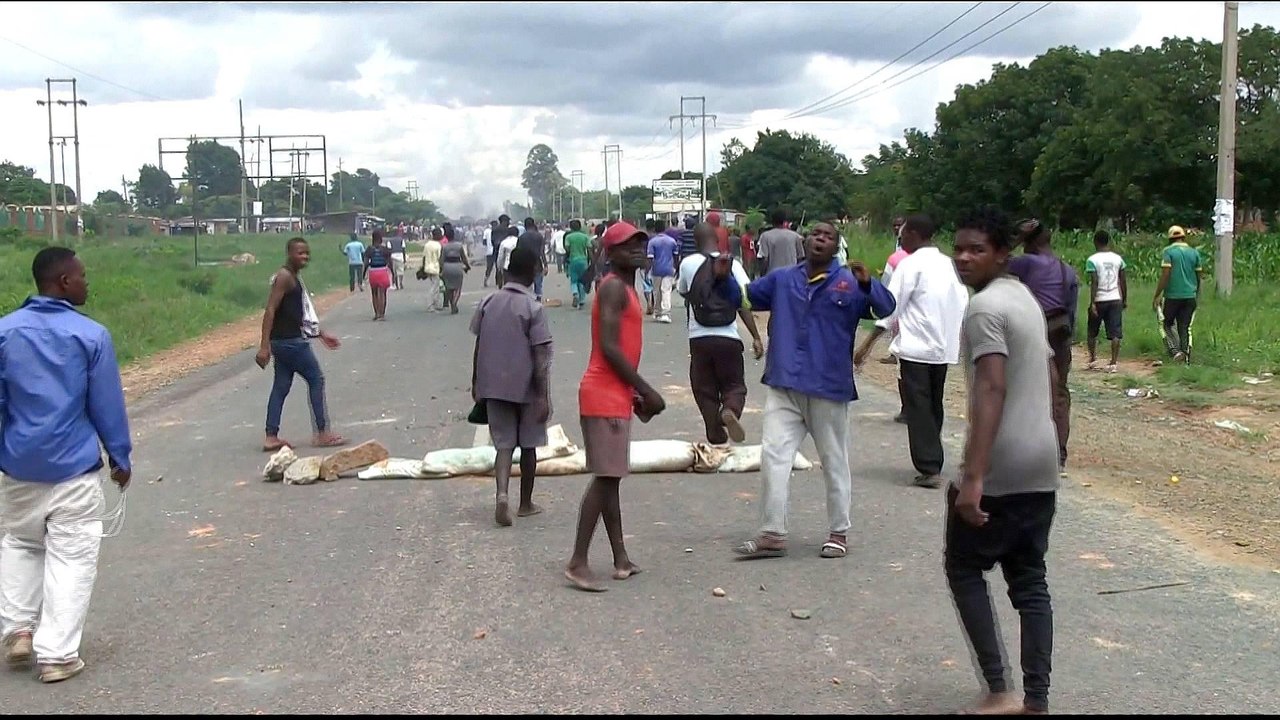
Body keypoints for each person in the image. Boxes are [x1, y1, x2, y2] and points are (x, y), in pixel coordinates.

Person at [0, 247, 132, 684]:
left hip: (18, 465)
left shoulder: (5, 332)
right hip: (73, 468)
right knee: (72, 557)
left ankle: (18, 629)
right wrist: (119, 456)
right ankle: (56, 655)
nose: (86, 283)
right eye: (82, 276)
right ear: (63, 282)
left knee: (20, 542)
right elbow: (105, 405)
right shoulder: (91, 335)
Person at [948, 206, 1059, 716]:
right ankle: (1036, 698)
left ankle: (998, 688)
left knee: (964, 567)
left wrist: (973, 477)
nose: (964, 258)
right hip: (1041, 461)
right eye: (959, 248)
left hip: (1002, 464)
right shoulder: (1025, 300)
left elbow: (991, 387)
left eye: (977, 250)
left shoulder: (985, 308)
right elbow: (1051, 377)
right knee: (1029, 579)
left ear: (1002, 254)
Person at [732, 222, 896, 561]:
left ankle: (838, 532)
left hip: (827, 386)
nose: (820, 238)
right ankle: (772, 533)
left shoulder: (850, 282)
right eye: (816, 234)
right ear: (805, 241)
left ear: (837, 246)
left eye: (828, 236)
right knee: (774, 456)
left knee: (834, 460)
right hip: (784, 383)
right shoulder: (782, 279)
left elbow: (886, 309)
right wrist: (721, 279)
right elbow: (745, 297)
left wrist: (869, 283)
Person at [565, 221, 666, 593]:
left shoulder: (627, 288)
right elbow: (609, 347)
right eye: (628, 245)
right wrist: (646, 389)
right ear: (610, 252)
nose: (638, 249)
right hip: (603, 393)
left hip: (614, 393)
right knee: (606, 478)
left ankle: (621, 558)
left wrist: (633, 393)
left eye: (641, 243)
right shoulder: (612, 288)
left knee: (611, 479)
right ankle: (578, 561)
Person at [854, 214, 968, 489]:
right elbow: (962, 301)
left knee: (918, 407)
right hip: (942, 348)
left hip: (916, 347)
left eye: (902, 234)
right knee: (934, 403)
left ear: (914, 234)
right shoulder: (949, 265)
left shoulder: (909, 265)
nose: (900, 239)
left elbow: (890, 306)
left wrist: (867, 345)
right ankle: (933, 456)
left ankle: (929, 466)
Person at [470, 246, 553, 527]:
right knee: (529, 446)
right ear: (533, 273)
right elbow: (540, 355)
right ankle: (526, 503)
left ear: (507, 271)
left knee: (503, 445)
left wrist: (476, 382)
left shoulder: (488, 302)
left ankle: (502, 495)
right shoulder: (533, 307)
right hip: (527, 387)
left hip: (493, 386)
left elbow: (479, 344)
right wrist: (543, 395)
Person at [678, 222, 764, 445]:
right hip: (729, 337)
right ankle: (730, 410)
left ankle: (713, 430)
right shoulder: (733, 264)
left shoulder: (688, 263)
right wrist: (756, 336)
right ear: (717, 240)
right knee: (734, 385)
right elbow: (743, 302)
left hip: (699, 338)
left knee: (703, 388)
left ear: (696, 242)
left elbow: (683, 291)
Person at [256, 237, 346, 451]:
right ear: (289, 253)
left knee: (281, 386)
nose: (304, 256)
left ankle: (271, 436)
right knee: (316, 379)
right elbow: (270, 310)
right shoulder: (285, 277)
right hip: (291, 342)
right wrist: (263, 346)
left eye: (306, 253)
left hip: (283, 341)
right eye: (300, 253)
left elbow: (295, 315)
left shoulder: (292, 277)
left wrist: (320, 334)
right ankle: (322, 432)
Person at [1009, 219, 1078, 472]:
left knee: (1026, 389)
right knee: (1059, 392)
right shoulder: (1067, 270)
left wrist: (1017, 236)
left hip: (1035, 330)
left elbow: (994, 260)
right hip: (1061, 332)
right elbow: (1072, 311)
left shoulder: (1028, 263)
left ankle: (1029, 451)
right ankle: (1059, 454)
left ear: (1031, 243)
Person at [1152, 225, 1203, 365]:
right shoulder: (1194, 253)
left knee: (1166, 324)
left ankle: (1175, 351)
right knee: (1184, 327)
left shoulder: (1168, 252)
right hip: (1190, 296)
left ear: (1170, 239)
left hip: (1172, 296)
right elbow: (1199, 276)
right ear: (1183, 238)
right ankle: (1185, 356)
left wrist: (1157, 294)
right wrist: (1197, 294)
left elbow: (1165, 274)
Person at [1085, 230, 1127, 373]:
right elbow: (1123, 280)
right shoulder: (1118, 259)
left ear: (1095, 242)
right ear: (1108, 241)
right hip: (1115, 298)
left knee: (1092, 331)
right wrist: (1124, 299)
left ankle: (1093, 359)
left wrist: (1092, 302)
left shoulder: (1092, 260)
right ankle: (1113, 362)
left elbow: (1094, 282)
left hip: (1100, 299)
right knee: (1115, 332)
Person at [756, 208, 806, 278]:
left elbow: (764, 259)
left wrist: (763, 275)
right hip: (791, 275)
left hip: (773, 276)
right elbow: (800, 258)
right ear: (784, 221)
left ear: (772, 221)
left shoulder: (765, 236)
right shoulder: (795, 236)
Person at [647, 217, 679, 323]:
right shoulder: (671, 241)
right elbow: (676, 256)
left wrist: (648, 270)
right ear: (665, 228)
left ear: (654, 229)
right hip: (669, 269)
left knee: (657, 292)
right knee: (666, 291)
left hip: (656, 269)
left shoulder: (652, 242)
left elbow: (650, 258)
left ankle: (657, 312)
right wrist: (676, 267)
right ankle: (666, 313)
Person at [364, 230, 394, 321]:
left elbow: (366, 263)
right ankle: (382, 314)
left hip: (373, 272)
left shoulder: (369, 249)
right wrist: (393, 273)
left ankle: (376, 313)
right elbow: (390, 262)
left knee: (374, 293)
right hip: (383, 271)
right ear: (381, 238)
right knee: (383, 293)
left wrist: (363, 274)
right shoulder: (385, 249)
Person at [440, 228, 471, 315]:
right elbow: (464, 258)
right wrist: (467, 266)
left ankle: (452, 303)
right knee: (458, 287)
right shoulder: (459, 246)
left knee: (449, 287)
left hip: (447, 267)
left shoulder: (444, 246)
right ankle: (454, 303)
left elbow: (441, 260)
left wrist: (441, 270)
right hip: (457, 266)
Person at [516, 217, 547, 301]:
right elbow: (542, 252)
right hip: (537, 263)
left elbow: (518, 252)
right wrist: (545, 265)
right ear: (533, 224)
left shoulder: (521, 237)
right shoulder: (539, 236)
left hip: (525, 264)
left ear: (525, 225)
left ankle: (528, 301)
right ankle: (538, 299)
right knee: (538, 284)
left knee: (526, 285)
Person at [564, 219, 593, 309]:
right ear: (580, 227)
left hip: (573, 260)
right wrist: (592, 261)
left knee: (574, 280)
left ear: (571, 227)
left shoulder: (568, 237)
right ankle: (582, 301)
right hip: (583, 261)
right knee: (582, 281)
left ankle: (575, 293)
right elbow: (589, 249)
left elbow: (567, 249)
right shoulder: (585, 237)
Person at [420, 228, 444, 312]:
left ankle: (436, 303)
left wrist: (423, 267)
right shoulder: (438, 245)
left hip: (428, 267)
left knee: (434, 286)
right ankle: (430, 305)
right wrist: (441, 269)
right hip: (435, 268)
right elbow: (440, 258)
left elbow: (424, 257)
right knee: (434, 288)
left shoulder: (427, 244)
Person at [483, 220, 499, 287]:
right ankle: (498, 281)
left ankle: (486, 279)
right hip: (497, 252)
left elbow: (484, 242)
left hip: (489, 252)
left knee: (489, 267)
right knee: (498, 267)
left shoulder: (486, 231)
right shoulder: (498, 231)